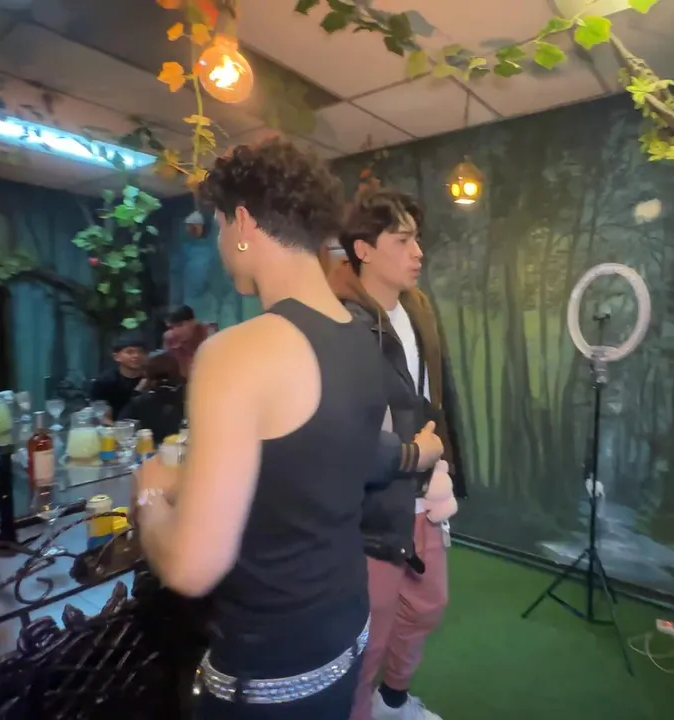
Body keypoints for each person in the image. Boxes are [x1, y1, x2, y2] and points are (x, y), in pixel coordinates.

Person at [133, 139, 389, 719]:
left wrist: (148, 495)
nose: (221, 242)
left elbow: (191, 567)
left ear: (244, 222)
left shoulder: (236, 353)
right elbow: (298, 473)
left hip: (270, 672)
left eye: (221, 225)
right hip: (344, 633)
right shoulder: (360, 337)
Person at [330, 188, 467, 720]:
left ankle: (392, 699)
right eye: (403, 240)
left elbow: (436, 394)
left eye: (418, 239)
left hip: (425, 488)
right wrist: (412, 454)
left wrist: (445, 467)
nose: (418, 252)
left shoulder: (417, 308)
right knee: (373, 628)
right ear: (364, 249)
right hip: (373, 501)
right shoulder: (341, 322)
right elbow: (346, 429)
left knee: (429, 603)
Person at [118, 350, 186, 444]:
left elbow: (121, 427)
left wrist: (136, 392)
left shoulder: (140, 402)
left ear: (148, 374)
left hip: (147, 449)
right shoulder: (191, 398)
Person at [88, 333, 148, 419]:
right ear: (116, 357)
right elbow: (103, 417)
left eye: (141, 352)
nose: (136, 356)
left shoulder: (152, 379)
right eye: (130, 352)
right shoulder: (104, 382)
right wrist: (137, 392)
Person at [163, 304, 210, 378]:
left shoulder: (207, 333)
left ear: (193, 322)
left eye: (180, 325)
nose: (177, 331)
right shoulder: (170, 339)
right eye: (172, 327)